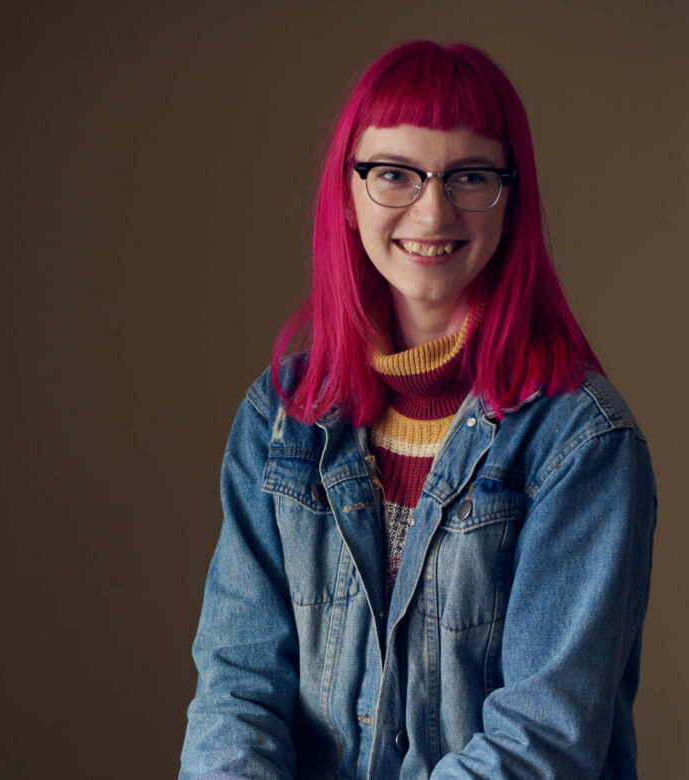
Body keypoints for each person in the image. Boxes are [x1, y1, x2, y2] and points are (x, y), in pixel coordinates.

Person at [180, 40, 656, 779]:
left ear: (511, 197)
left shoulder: (582, 441)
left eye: (469, 175)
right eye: (394, 174)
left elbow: (543, 740)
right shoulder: (280, 418)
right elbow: (237, 689)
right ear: (347, 193)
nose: (432, 210)